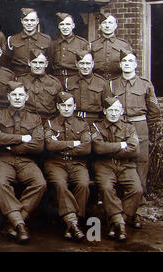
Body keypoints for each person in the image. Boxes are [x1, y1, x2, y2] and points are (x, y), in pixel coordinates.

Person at [0, 81, 46, 243]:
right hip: (2, 160)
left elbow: (38, 144)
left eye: (21, 95)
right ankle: (20, 224)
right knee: (0, 182)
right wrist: (20, 139)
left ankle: (15, 221)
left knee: (40, 183)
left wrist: (11, 147)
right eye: (14, 95)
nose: (17, 98)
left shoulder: (35, 118)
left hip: (26, 161)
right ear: (8, 97)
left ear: (26, 97)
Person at [110, 52, 162, 205]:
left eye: (130, 61)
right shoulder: (112, 84)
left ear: (136, 64)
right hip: (119, 125)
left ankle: (139, 196)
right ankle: (119, 195)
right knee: (119, 156)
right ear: (120, 65)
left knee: (141, 160)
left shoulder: (145, 84)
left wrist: (148, 130)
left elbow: (154, 111)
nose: (127, 63)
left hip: (139, 125)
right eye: (124, 61)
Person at [91, 97, 143, 241]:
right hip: (104, 165)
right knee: (106, 188)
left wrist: (110, 149)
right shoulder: (97, 126)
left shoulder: (129, 127)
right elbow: (99, 149)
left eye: (116, 110)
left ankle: (118, 221)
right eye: (110, 110)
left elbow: (134, 150)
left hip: (126, 165)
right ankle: (120, 222)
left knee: (137, 189)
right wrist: (122, 145)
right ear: (104, 111)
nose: (113, 113)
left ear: (121, 111)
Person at [44, 92, 91, 240]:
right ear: (58, 106)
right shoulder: (50, 123)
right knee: (59, 183)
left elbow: (86, 148)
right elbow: (50, 146)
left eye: (69, 105)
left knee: (83, 184)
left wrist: (61, 146)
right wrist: (73, 143)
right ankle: (73, 224)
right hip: (55, 162)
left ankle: (71, 224)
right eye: (63, 105)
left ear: (75, 107)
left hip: (77, 162)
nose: (66, 108)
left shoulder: (82, 124)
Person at [64, 50, 111, 126]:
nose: (85, 67)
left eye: (88, 63)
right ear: (76, 64)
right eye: (82, 63)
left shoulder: (102, 83)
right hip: (73, 121)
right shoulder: (68, 81)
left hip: (94, 121)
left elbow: (108, 107)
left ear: (92, 64)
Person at [16, 49, 62, 123]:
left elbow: (60, 106)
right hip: (26, 121)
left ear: (46, 64)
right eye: (34, 62)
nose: (37, 66)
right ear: (29, 63)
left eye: (41, 63)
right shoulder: (20, 81)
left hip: (48, 121)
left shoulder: (54, 83)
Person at [48, 12, 89, 86]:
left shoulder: (82, 43)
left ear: (73, 25)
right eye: (62, 24)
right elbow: (49, 65)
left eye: (68, 24)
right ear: (59, 26)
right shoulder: (53, 44)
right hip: (57, 79)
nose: (65, 27)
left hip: (75, 79)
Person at [7, 8, 51, 76]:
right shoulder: (12, 39)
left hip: (38, 77)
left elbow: (50, 61)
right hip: (19, 77)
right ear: (22, 21)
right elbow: (6, 62)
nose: (29, 23)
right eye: (26, 20)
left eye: (32, 20)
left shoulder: (46, 39)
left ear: (37, 21)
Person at [91, 12, 133, 80]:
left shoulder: (124, 45)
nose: (107, 26)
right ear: (100, 26)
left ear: (115, 26)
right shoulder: (93, 45)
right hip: (97, 82)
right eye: (104, 23)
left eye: (110, 23)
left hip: (118, 82)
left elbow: (130, 66)